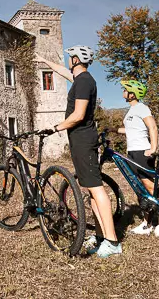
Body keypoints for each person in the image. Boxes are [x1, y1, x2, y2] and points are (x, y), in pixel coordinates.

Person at [36, 46, 121, 258]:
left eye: (70, 58)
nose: (68, 62)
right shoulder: (81, 79)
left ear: (75, 59)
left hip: (83, 140)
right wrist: (43, 60)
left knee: (97, 189)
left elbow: (79, 115)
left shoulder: (83, 82)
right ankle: (101, 236)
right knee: (90, 189)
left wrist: (55, 128)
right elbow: (62, 71)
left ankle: (112, 242)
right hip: (79, 140)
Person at [118, 79, 159, 238]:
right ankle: (147, 223)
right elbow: (130, 131)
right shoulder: (131, 111)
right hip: (132, 152)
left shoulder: (142, 108)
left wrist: (153, 148)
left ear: (132, 93)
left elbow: (152, 127)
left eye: (125, 89)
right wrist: (113, 129)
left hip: (142, 151)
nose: (123, 92)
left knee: (150, 187)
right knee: (140, 189)